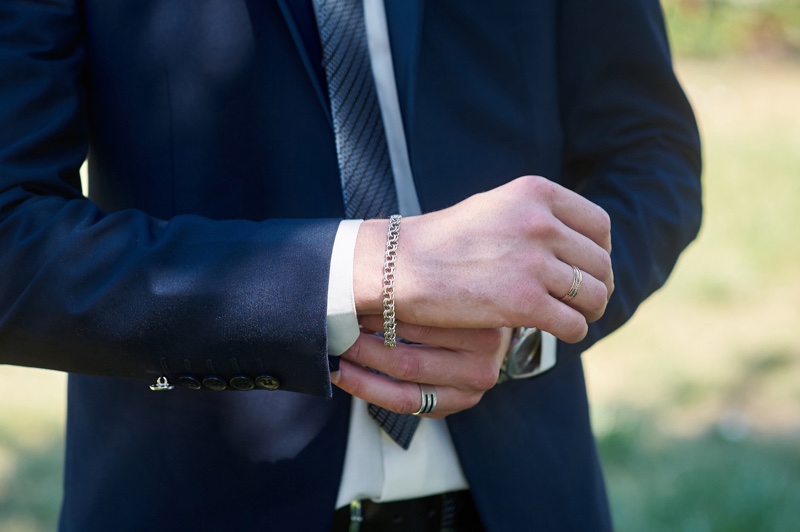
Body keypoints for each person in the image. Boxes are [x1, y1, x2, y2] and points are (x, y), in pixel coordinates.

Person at [0, 0, 701, 530]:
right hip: (202, 499)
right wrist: (367, 269)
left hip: (527, 497)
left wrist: (529, 326)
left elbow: (647, 153)